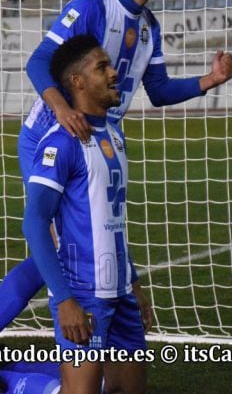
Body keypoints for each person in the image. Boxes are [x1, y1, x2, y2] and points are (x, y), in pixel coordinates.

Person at [0, 0, 232, 356]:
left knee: (81, 243)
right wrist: (62, 110)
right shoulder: (91, 7)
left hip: (101, 137)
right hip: (54, 135)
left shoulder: (149, 27)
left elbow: (159, 90)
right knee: (61, 247)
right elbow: (38, 61)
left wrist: (210, 81)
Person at [24, 34, 147, 393]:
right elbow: (34, 223)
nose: (114, 73)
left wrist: (134, 284)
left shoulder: (115, 135)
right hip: (83, 293)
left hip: (121, 292)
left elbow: (115, 221)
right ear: (77, 81)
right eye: (102, 67)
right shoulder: (60, 142)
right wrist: (64, 299)